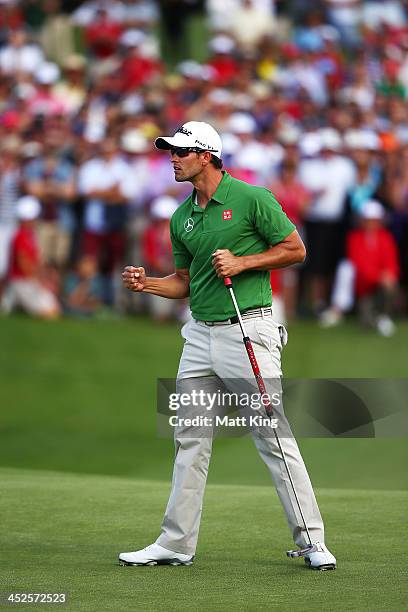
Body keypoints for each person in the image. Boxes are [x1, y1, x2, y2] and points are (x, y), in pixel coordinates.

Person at [120, 121, 336, 569]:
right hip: (198, 336)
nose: (172, 158)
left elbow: (295, 249)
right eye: (170, 151)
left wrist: (244, 261)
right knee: (190, 438)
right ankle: (176, 544)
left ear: (206, 155)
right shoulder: (181, 217)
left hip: (248, 331)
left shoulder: (252, 198)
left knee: (273, 436)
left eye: (180, 151)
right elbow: (184, 283)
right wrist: (148, 286)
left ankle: (313, 541)